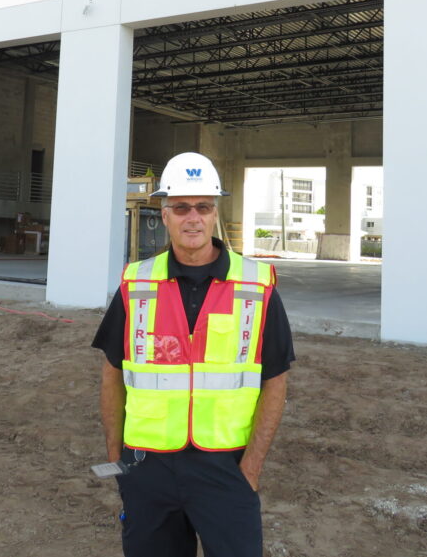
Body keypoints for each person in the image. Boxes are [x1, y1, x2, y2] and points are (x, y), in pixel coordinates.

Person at [92, 152, 295, 557]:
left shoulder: (256, 285)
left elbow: (275, 381)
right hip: (147, 467)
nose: (193, 217)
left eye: (203, 206)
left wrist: (250, 469)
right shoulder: (136, 284)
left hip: (225, 468)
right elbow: (112, 374)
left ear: (215, 213)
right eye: (181, 207)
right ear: (164, 215)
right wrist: (117, 460)